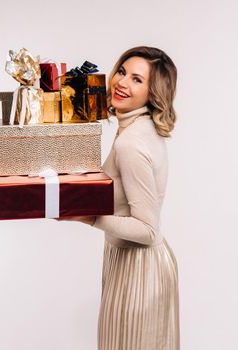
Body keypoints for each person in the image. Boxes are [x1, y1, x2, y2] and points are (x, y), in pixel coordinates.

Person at [61, 46, 179, 350]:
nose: (122, 83)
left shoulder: (131, 143)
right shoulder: (138, 128)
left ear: (153, 93)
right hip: (133, 261)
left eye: (137, 80)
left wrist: (88, 216)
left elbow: (148, 230)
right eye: (123, 72)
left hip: (139, 266)